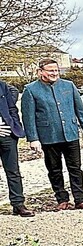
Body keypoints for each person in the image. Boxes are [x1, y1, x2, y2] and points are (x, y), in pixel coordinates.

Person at [21, 59, 83, 211]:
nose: (54, 73)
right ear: (40, 72)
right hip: (48, 135)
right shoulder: (30, 90)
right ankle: (62, 199)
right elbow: (28, 117)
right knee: (54, 170)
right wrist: (33, 138)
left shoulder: (68, 86)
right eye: (50, 71)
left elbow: (79, 109)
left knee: (75, 168)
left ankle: (80, 199)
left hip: (70, 133)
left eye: (56, 71)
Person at [0, 79, 33, 217]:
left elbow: (12, 107)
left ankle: (18, 204)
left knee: (13, 171)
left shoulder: (2, 86)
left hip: (8, 134)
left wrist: (15, 125)